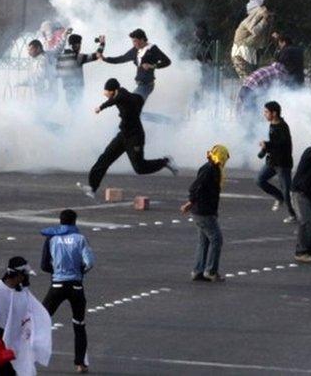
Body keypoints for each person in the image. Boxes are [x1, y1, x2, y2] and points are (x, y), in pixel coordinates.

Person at [78, 79, 177, 197]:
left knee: (139, 168)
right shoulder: (123, 94)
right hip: (123, 135)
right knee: (105, 158)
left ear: (113, 91)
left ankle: (165, 161)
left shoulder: (122, 96)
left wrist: (101, 107)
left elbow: (114, 100)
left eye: (106, 91)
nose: (105, 93)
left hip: (135, 137)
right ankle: (92, 188)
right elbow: (133, 99)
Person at [0, 256, 53, 376]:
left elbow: (35, 312)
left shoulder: (22, 292)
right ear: (16, 275)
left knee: (17, 370)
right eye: (24, 275)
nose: (25, 278)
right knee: (1, 371)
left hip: (16, 340)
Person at [40, 209, 95, 373]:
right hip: (76, 286)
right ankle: (81, 363)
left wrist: (57, 270)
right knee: (79, 324)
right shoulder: (80, 239)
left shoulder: (52, 238)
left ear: (60, 221)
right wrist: (80, 272)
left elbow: (44, 265)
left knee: (40, 318)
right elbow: (90, 262)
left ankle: (27, 352)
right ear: (75, 222)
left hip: (57, 285)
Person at [181, 145, 229, 282]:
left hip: (202, 211)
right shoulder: (210, 169)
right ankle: (211, 271)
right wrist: (190, 203)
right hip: (204, 212)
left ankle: (198, 271)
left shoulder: (211, 168)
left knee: (204, 241)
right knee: (216, 239)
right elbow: (195, 187)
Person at [100, 29, 171, 101]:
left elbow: (167, 61)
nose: (133, 44)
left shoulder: (152, 49)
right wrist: (105, 59)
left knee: (131, 104)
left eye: (135, 41)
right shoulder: (135, 50)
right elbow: (121, 59)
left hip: (147, 85)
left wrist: (152, 66)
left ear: (142, 39)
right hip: (140, 85)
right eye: (133, 41)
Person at [257, 101, 296, 221]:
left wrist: (267, 144)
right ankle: (279, 198)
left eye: (266, 112)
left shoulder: (283, 127)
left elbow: (282, 144)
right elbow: (274, 144)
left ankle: (293, 214)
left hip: (283, 164)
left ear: (274, 113)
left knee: (286, 190)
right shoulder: (272, 124)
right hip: (272, 162)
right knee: (260, 180)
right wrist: (265, 148)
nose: (264, 114)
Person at [231, 0, 273, 80]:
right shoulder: (255, 15)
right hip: (242, 52)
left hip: (250, 51)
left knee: (252, 81)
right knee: (249, 82)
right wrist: (264, 21)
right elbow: (254, 30)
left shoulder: (257, 12)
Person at [56, 34, 102, 107]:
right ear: (75, 45)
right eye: (79, 44)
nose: (80, 47)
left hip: (67, 91)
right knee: (78, 110)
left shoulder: (60, 57)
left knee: (73, 110)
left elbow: (56, 74)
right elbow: (96, 55)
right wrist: (102, 43)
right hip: (77, 90)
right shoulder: (77, 57)